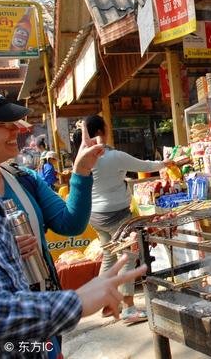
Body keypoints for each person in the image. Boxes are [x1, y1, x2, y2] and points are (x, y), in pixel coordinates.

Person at [0, 95, 147, 357]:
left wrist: (81, 171)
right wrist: (77, 301)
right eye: (4, 124)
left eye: (15, 123)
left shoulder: (23, 178)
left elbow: (71, 223)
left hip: (43, 325)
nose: (17, 130)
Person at [82, 114, 170, 323]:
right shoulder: (114, 156)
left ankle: (105, 303)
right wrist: (167, 163)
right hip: (117, 216)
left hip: (95, 216)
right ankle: (129, 308)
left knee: (110, 256)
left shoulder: (86, 156)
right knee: (129, 255)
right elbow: (145, 166)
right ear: (103, 131)